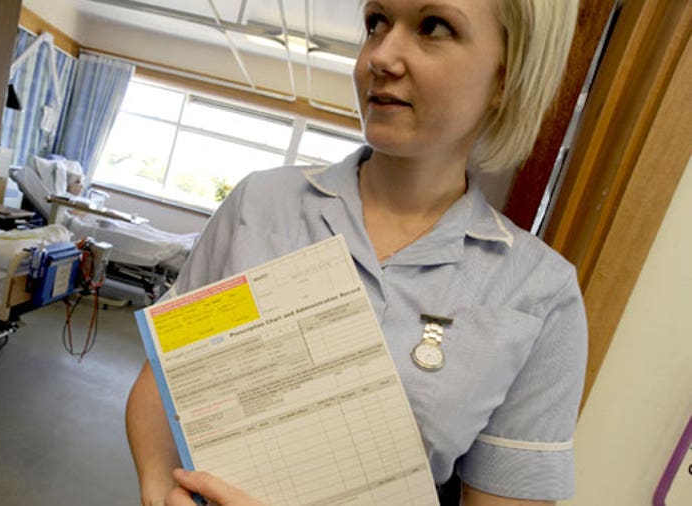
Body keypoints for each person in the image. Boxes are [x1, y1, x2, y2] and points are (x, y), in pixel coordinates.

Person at [126, 0, 585, 504]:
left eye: (434, 27)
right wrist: (155, 484)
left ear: (507, 76)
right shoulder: (260, 206)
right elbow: (164, 377)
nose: (380, 57)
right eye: (376, 23)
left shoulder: (537, 295)